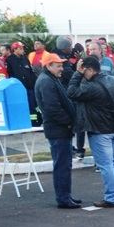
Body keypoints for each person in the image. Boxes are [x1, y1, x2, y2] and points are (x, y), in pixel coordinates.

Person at [66, 57, 114, 208]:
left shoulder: (91, 87)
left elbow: (71, 92)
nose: (83, 73)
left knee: (106, 165)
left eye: (84, 70)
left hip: (100, 130)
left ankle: (111, 197)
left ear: (90, 70)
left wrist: (77, 74)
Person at [34, 52, 80, 208]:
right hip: (58, 129)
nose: (62, 68)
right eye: (58, 65)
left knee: (64, 165)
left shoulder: (51, 79)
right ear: (48, 66)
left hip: (60, 129)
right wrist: (68, 122)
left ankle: (65, 196)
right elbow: (52, 108)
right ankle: (63, 198)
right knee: (62, 165)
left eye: (62, 65)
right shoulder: (47, 82)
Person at [6, 42, 39, 126]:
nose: (22, 50)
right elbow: (10, 74)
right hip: (18, 88)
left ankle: (34, 123)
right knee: (20, 106)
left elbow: (31, 71)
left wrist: (33, 82)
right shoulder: (10, 60)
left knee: (32, 105)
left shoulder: (25, 59)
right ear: (15, 49)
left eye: (22, 48)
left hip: (29, 87)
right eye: (20, 48)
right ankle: (21, 123)